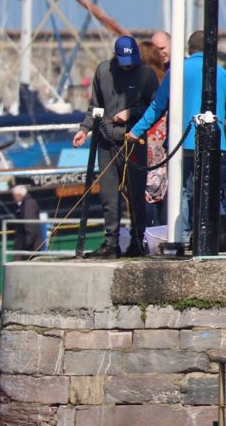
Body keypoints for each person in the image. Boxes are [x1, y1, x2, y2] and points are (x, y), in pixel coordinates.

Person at [127, 30, 226, 245]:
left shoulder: (178, 71)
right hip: (217, 143)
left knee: (182, 191)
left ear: (189, 49)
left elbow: (157, 106)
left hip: (182, 142)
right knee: (215, 191)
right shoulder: (220, 73)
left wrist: (135, 131)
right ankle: (211, 238)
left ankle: (180, 238)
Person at [73, 35, 159, 257]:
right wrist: (84, 129)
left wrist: (132, 113)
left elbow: (156, 106)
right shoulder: (103, 71)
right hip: (106, 142)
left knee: (136, 195)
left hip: (133, 142)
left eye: (132, 62)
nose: (129, 67)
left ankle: (137, 242)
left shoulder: (147, 74)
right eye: (125, 63)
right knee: (108, 197)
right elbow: (95, 108)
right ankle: (111, 243)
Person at [138, 40, 168, 227]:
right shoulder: (166, 79)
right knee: (162, 186)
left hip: (145, 136)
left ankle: (146, 233)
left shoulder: (142, 81)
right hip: (163, 139)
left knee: (144, 188)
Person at [11, 185, 43, 256]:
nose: (14, 199)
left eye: (14, 196)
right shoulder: (27, 204)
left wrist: (27, 243)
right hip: (28, 244)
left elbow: (30, 224)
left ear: (18, 195)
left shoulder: (28, 204)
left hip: (29, 246)